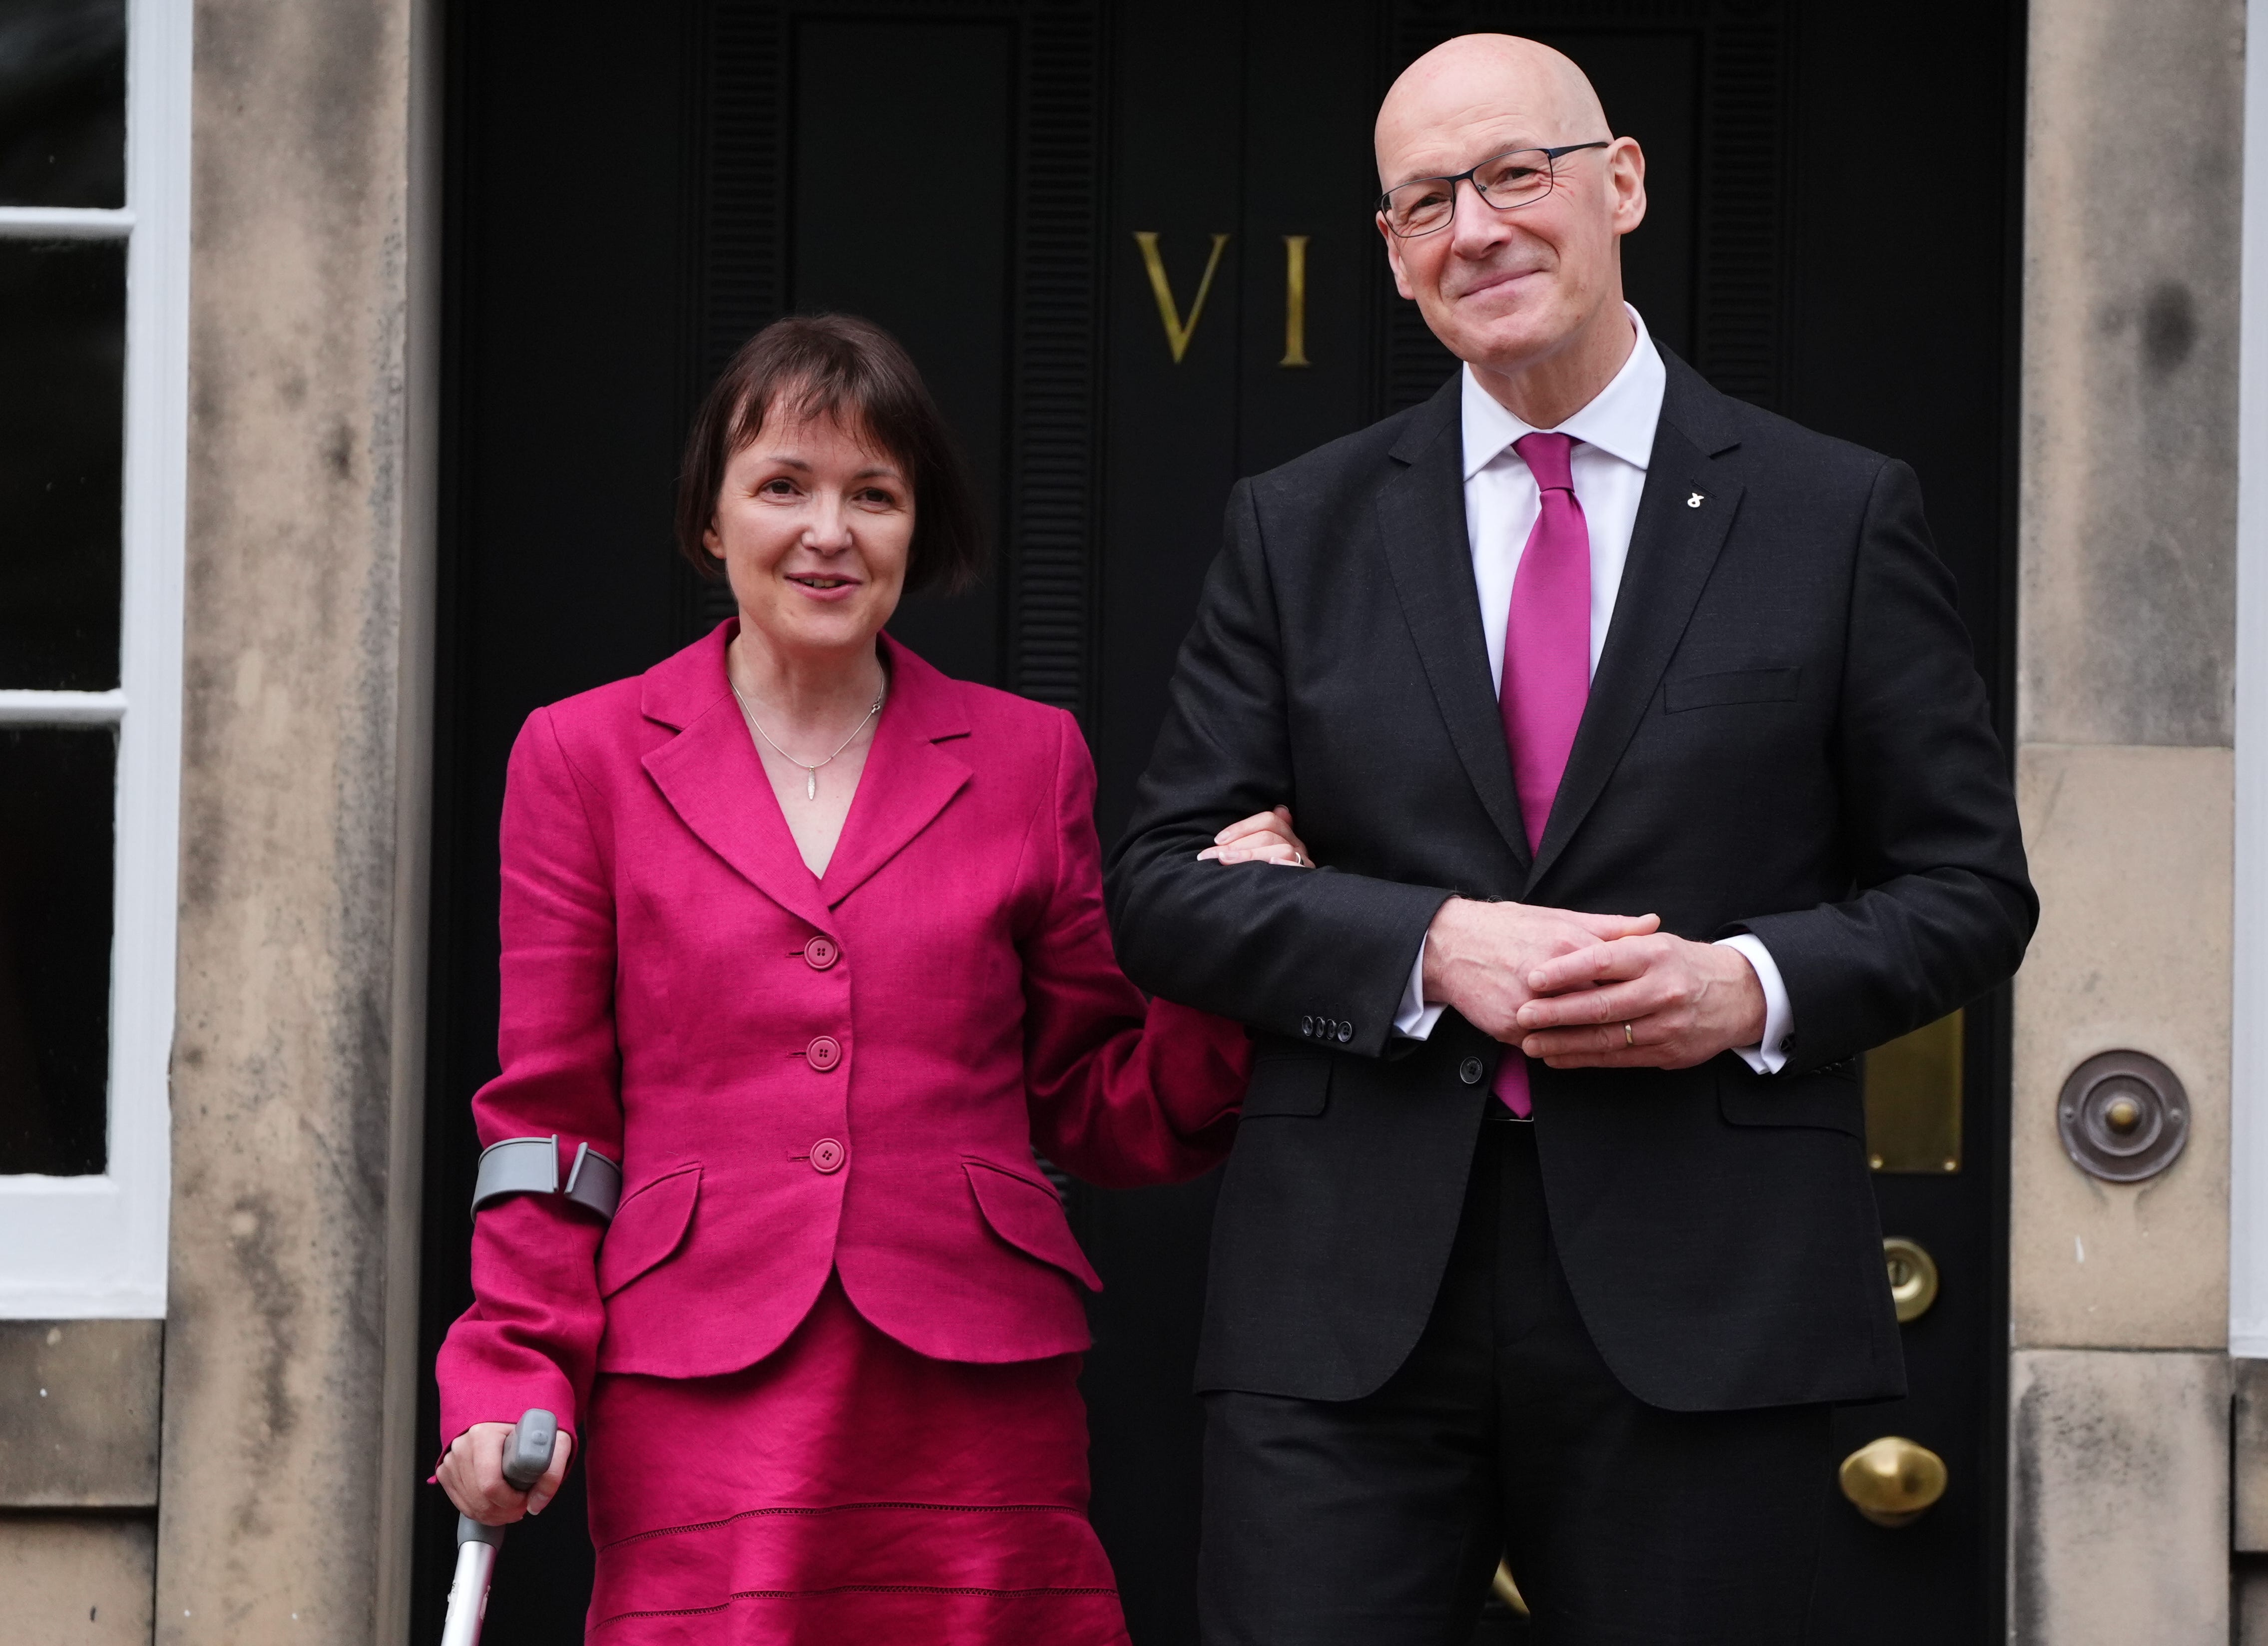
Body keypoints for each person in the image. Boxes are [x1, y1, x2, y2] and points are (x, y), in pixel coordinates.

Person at [1105, 33, 2037, 1646]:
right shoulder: (1298, 524)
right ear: (1395, 260)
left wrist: (1748, 988)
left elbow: (1969, 888)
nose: (1476, 229)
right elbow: (1166, 886)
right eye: (1422, 204)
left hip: (1712, 1302)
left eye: (1514, 176)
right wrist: (1423, 946)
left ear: (1621, 184)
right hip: (1344, 1315)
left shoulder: (1834, 514)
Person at [433, 314, 1312, 1644]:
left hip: (975, 1404)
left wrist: (1239, 955)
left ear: (921, 530)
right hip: (700, 1393)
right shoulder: (582, 757)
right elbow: (550, 1122)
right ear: (711, 521)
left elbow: (1099, 1101)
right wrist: (509, 1367)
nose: (828, 532)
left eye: (874, 494)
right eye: (783, 486)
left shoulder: (1032, 760)